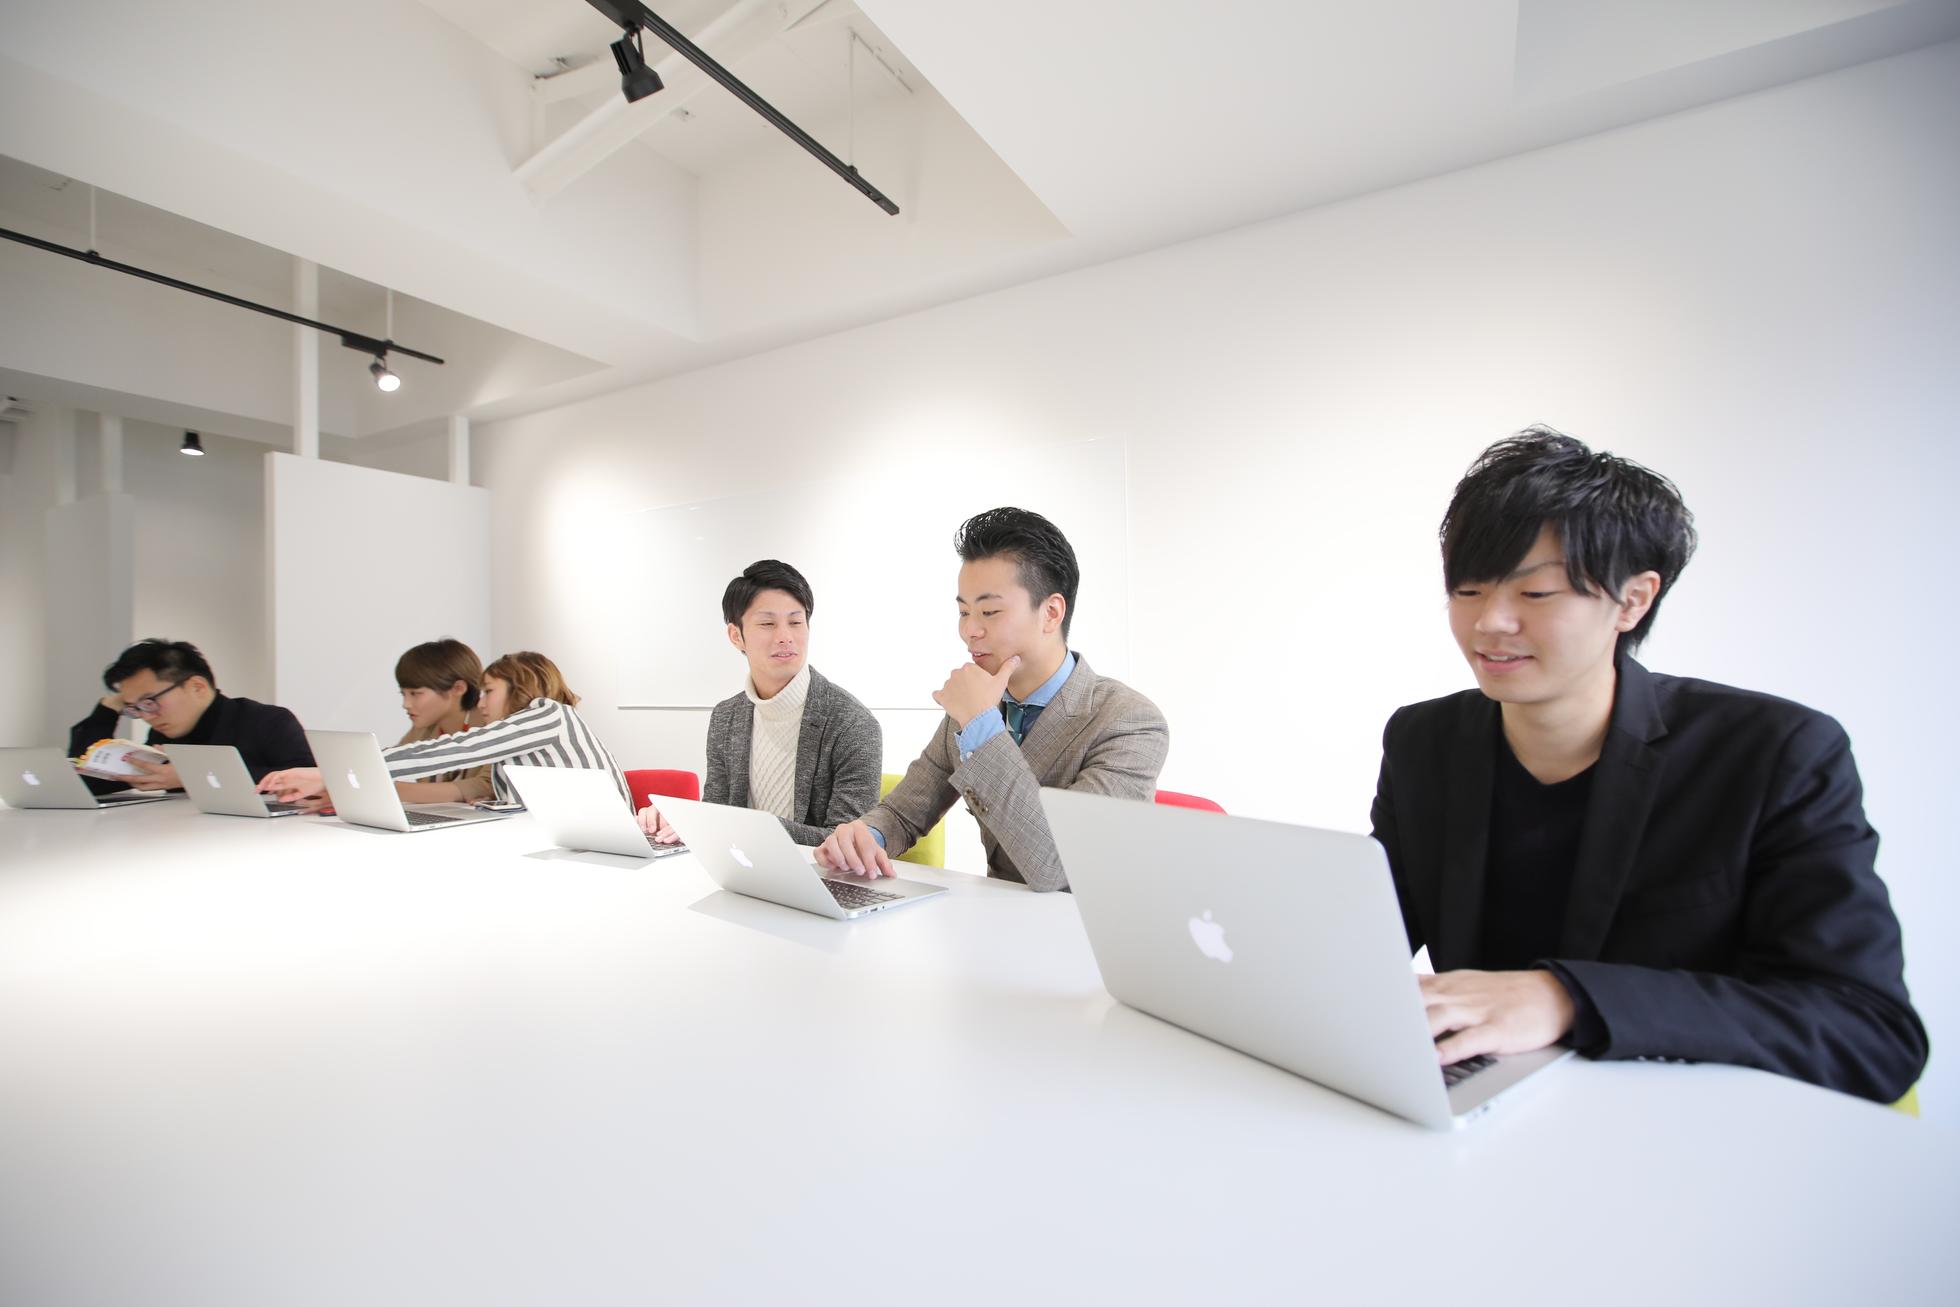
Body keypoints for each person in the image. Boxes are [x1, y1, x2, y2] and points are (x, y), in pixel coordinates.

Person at [1370, 427, 1926, 1103]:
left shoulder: (1774, 753)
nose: (1490, 623)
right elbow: (1367, 941)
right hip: (1487, 1111)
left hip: (1688, 1123)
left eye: (1535, 594)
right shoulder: (1424, 741)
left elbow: (1869, 1030)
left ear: (1632, 600)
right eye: (1468, 590)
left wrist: (1567, 998)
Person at [816, 507, 1168, 891]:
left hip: (1084, 922)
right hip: (997, 916)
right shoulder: (975, 707)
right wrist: (865, 837)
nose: (969, 630)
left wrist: (981, 723)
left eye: (989, 611)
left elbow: (1056, 866)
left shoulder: (1129, 721)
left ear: (1051, 613)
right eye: (963, 611)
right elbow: (903, 813)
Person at [639, 560, 880, 846]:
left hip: (815, 872)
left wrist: (744, 826)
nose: (785, 637)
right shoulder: (726, 717)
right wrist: (681, 819)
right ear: (736, 636)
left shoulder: (852, 724)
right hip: (739, 867)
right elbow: (717, 813)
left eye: (795, 622)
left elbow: (847, 843)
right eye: (767, 624)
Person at [261, 650, 626, 810]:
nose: (480, 703)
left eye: (489, 691)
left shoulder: (548, 715)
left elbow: (459, 749)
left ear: (520, 688)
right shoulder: (520, 736)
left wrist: (334, 773)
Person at [68, 638, 311, 793]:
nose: (146, 716)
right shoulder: (163, 734)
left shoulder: (269, 721)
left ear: (197, 687)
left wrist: (192, 776)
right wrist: (108, 709)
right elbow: (87, 784)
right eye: (134, 708)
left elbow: (307, 781)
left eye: (150, 702)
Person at [392, 638, 493, 806]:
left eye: (415, 693)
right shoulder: (423, 729)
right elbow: (391, 765)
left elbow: (486, 785)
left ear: (458, 688)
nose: (406, 704)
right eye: (403, 694)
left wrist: (392, 789)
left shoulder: (490, 726)